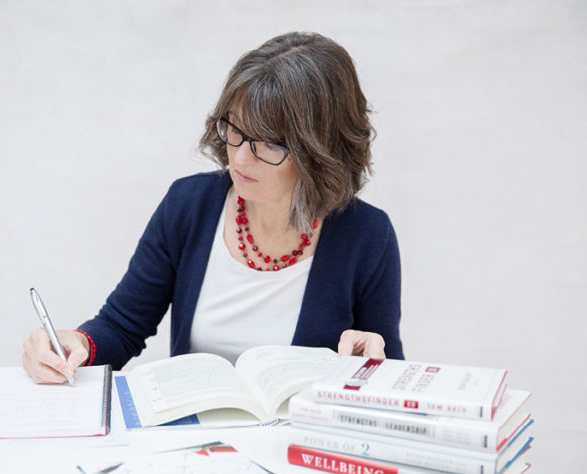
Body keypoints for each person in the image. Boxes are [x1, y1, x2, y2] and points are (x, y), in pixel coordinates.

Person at [22, 32, 404, 384]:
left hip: (295, 447)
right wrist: (78, 345)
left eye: (269, 144)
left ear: (321, 150)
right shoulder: (189, 206)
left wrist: (372, 364)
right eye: (235, 130)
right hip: (193, 439)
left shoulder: (368, 236)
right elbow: (122, 327)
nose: (239, 158)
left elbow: (385, 366)